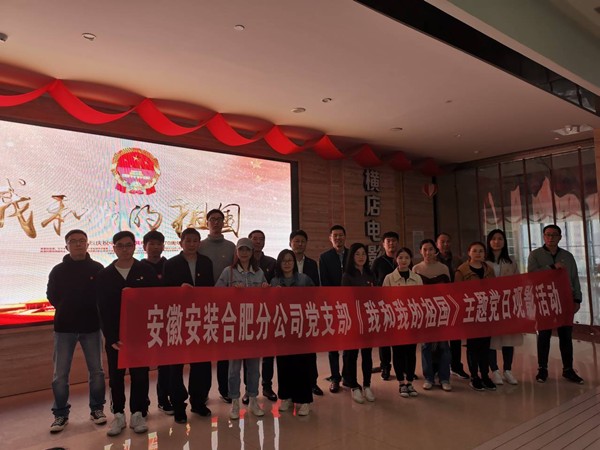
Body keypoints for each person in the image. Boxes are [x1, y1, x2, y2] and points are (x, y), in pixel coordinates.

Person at [96, 231, 159, 436]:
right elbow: (102, 309)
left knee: (140, 375)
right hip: (115, 337)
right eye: (120, 246)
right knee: (116, 377)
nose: (125, 249)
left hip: (140, 334)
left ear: (134, 246)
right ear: (114, 248)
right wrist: (111, 337)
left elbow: (154, 302)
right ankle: (118, 414)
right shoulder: (105, 275)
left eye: (128, 245)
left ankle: (138, 413)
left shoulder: (146, 271)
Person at [47, 229, 106, 433]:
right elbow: (52, 296)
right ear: (67, 246)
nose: (78, 244)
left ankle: (97, 409)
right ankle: (60, 414)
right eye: (74, 241)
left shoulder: (98, 268)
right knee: (60, 375)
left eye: (82, 241)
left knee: (96, 372)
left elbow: (102, 296)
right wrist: (67, 309)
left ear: (87, 244)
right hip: (64, 328)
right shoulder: (58, 270)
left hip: (91, 327)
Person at [163, 228, 214, 423]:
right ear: (181, 243)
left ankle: (198, 401)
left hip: (200, 318)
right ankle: (178, 405)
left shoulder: (206, 262)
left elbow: (210, 290)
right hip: (177, 319)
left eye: (195, 240)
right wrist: (179, 290)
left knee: (201, 363)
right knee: (175, 365)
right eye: (188, 240)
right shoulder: (171, 264)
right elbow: (164, 292)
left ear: (199, 243)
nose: (192, 244)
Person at [215, 238, 269, 420]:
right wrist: (231, 291)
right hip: (235, 326)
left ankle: (253, 399)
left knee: (253, 367)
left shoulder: (259, 273)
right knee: (234, 368)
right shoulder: (228, 272)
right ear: (236, 252)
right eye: (241, 249)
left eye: (247, 249)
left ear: (252, 252)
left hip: (253, 326)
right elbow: (216, 294)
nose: (244, 253)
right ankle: (235, 402)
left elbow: (266, 299)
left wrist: (265, 288)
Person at [528, 224, 584, 384]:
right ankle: (542, 369)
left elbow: (574, 278)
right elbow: (532, 274)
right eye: (547, 234)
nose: (551, 238)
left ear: (560, 237)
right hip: (544, 299)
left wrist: (577, 299)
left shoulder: (568, 256)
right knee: (544, 335)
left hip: (564, 299)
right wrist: (552, 267)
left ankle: (568, 369)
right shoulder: (535, 255)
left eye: (554, 235)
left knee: (565, 335)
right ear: (543, 237)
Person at [198, 208, 236, 403]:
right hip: (203, 305)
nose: (216, 222)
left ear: (223, 222)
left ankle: (225, 389)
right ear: (207, 223)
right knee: (203, 350)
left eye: (219, 219)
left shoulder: (231, 247)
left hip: (225, 305)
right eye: (212, 219)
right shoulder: (199, 245)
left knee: (224, 350)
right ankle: (202, 391)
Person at [271, 249, 314, 416]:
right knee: (284, 364)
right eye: (284, 261)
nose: (287, 263)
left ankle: (304, 399)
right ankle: (286, 397)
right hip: (282, 329)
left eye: (290, 260)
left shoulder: (304, 279)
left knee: (302, 364)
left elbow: (315, 298)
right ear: (279, 264)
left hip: (301, 329)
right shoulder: (274, 281)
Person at [455, 241, 496, 391]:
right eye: (475, 251)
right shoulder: (462, 271)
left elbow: (495, 289)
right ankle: (474, 377)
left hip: (486, 312)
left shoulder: (489, 270)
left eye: (481, 251)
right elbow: (457, 292)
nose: (478, 253)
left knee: (485, 346)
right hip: (470, 313)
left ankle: (485, 375)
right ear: (469, 253)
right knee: (473, 346)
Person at [413, 239, 452, 392]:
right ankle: (428, 377)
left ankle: (444, 378)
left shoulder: (443, 268)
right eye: (424, 249)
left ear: (436, 251)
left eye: (430, 249)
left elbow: (449, 291)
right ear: (420, 251)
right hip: (424, 313)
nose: (428, 252)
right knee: (426, 346)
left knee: (444, 345)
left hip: (442, 312)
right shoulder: (416, 269)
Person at [383, 247, 422, 398]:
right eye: (400, 257)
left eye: (406, 257)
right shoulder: (389, 278)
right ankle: (401, 383)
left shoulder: (417, 278)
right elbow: (384, 300)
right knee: (398, 352)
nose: (403, 260)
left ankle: (410, 382)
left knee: (411, 353)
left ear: (411, 260)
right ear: (396, 260)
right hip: (396, 322)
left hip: (412, 321)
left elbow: (421, 300)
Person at [141, 230, 172, 414]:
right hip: (144, 322)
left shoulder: (171, 266)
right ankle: (142, 403)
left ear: (163, 246)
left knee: (165, 363)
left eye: (158, 244)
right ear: (144, 246)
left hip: (166, 321)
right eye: (151, 244)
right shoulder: (138, 267)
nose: (155, 247)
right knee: (142, 364)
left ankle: (163, 399)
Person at [485, 229, 522, 386]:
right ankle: (494, 370)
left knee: (508, 338)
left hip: (507, 304)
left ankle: (507, 370)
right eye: (493, 239)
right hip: (490, 305)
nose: (497, 241)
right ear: (489, 241)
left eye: (500, 238)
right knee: (492, 338)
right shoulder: (484, 261)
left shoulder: (511, 261)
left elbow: (518, 282)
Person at [341, 243, 375, 404]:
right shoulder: (347, 275)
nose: (361, 257)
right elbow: (345, 298)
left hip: (368, 319)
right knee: (352, 355)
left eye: (363, 254)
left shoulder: (370, 274)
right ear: (352, 257)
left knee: (367, 354)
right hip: (353, 320)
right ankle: (354, 386)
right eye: (357, 254)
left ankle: (367, 385)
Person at [289, 229, 323, 396]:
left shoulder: (312, 264)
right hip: (289, 313)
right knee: (291, 351)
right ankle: (294, 383)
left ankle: (312, 383)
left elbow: (315, 287)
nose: (300, 244)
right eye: (296, 241)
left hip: (308, 311)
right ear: (290, 243)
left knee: (310, 349)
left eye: (302, 241)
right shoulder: (285, 261)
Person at [248, 229, 278, 403]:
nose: (258, 242)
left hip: (267, 313)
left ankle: (267, 387)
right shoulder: (243, 262)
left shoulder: (272, 263)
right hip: (248, 313)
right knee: (249, 354)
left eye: (261, 239)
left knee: (268, 353)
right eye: (255, 239)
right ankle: (248, 390)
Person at [318, 225, 348, 393]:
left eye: (341, 235)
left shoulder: (352, 254)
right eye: (335, 235)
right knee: (333, 344)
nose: (338, 238)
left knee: (350, 343)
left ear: (345, 237)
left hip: (350, 305)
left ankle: (348, 376)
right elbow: (324, 282)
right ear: (330, 238)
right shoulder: (325, 257)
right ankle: (335, 377)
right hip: (332, 305)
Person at [436, 232, 470, 380]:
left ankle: (456, 366)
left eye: (448, 241)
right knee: (440, 338)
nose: (445, 244)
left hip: (455, 302)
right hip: (439, 303)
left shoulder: (458, 260)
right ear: (437, 244)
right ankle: (438, 367)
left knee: (455, 337)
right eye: (442, 241)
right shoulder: (432, 260)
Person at [371, 231, 399, 381]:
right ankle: (385, 367)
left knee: (400, 338)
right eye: (388, 241)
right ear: (383, 244)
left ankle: (403, 368)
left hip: (401, 305)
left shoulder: (402, 259)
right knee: (384, 339)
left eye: (394, 241)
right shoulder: (378, 262)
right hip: (383, 305)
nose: (391, 243)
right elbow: (373, 283)